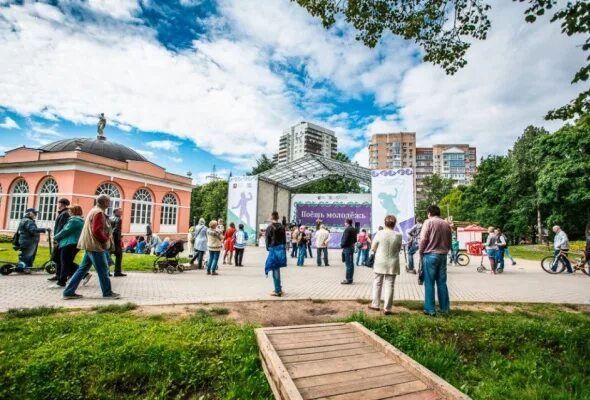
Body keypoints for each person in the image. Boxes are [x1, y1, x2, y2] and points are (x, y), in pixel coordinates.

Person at [63, 194, 119, 299]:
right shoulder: (98, 212)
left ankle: (68, 292)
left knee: (82, 269)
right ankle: (107, 293)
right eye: (108, 201)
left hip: (90, 244)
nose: (109, 203)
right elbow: (96, 230)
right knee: (103, 270)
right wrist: (104, 239)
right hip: (95, 246)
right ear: (104, 202)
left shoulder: (94, 210)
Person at [419, 205, 452, 316]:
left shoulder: (428, 222)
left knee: (429, 283)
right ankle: (445, 309)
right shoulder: (446, 224)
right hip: (443, 255)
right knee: (442, 283)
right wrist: (446, 250)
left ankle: (430, 309)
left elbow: (423, 239)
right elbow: (449, 240)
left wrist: (421, 252)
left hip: (430, 255)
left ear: (429, 213)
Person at [368, 215, 402, 315]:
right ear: (394, 224)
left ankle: (375, 305)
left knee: (377, 283)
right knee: (390, 285)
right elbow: (399, 248)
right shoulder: (398, 235)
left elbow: (373, 248)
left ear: (385, 223)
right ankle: (387, 308)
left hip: (380, 262)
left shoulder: (379, 233)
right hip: (393, 262)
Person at [51, 205, 84, 288]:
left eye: (70, 211)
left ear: (73, 212)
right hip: (74, 243)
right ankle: (83, 274)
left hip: (68, 243)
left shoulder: (74, 221)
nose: (69, 212)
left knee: (65, 263)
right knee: (68, 262)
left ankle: (61, 282)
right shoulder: (80, 220)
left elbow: (65, 231)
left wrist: (55, 238)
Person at [265, 211, 287, 296]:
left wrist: (268, 248)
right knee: (277, 268)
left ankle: (277, 290)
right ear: (278, 217)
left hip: (273, 249)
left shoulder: (269, 228)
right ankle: (279, 288)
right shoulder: (282, 227)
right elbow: (284, 240)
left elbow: (267, 240)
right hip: (281, 249)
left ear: (271, 217)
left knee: (275, 269)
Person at [48, 198, 71, 281]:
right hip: (59, 238)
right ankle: (58, 275)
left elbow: (61, 227)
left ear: (63, 204)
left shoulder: (65, 214)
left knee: (58, 258)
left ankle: (61, 275)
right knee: (57, 258)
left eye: (59, 203)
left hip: (60, 239)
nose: (58, 204)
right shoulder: (62, 213)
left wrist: (56, 238)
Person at [109, 208, 126, 277]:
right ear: (115, 212)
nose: (121, 213)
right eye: (120, 212)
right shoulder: (118, 219)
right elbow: (115, 230)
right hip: (116, 240)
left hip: (110, 240)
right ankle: (117, 272)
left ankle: (107, 271)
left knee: (108, 255)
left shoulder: (110, 218)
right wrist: (117, 237)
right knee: (119, 255)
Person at [340, 218, 357, 284]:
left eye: (345, 222)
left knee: (348, 264)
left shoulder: (347, 229)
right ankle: (350, 278)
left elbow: (345, 239)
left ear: (346, 222)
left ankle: (348, 279)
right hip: (351, 247)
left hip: (347, 248)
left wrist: (342, 245)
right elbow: (355, 240)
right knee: (351, 264)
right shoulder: (354, 229)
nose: (344, 223)